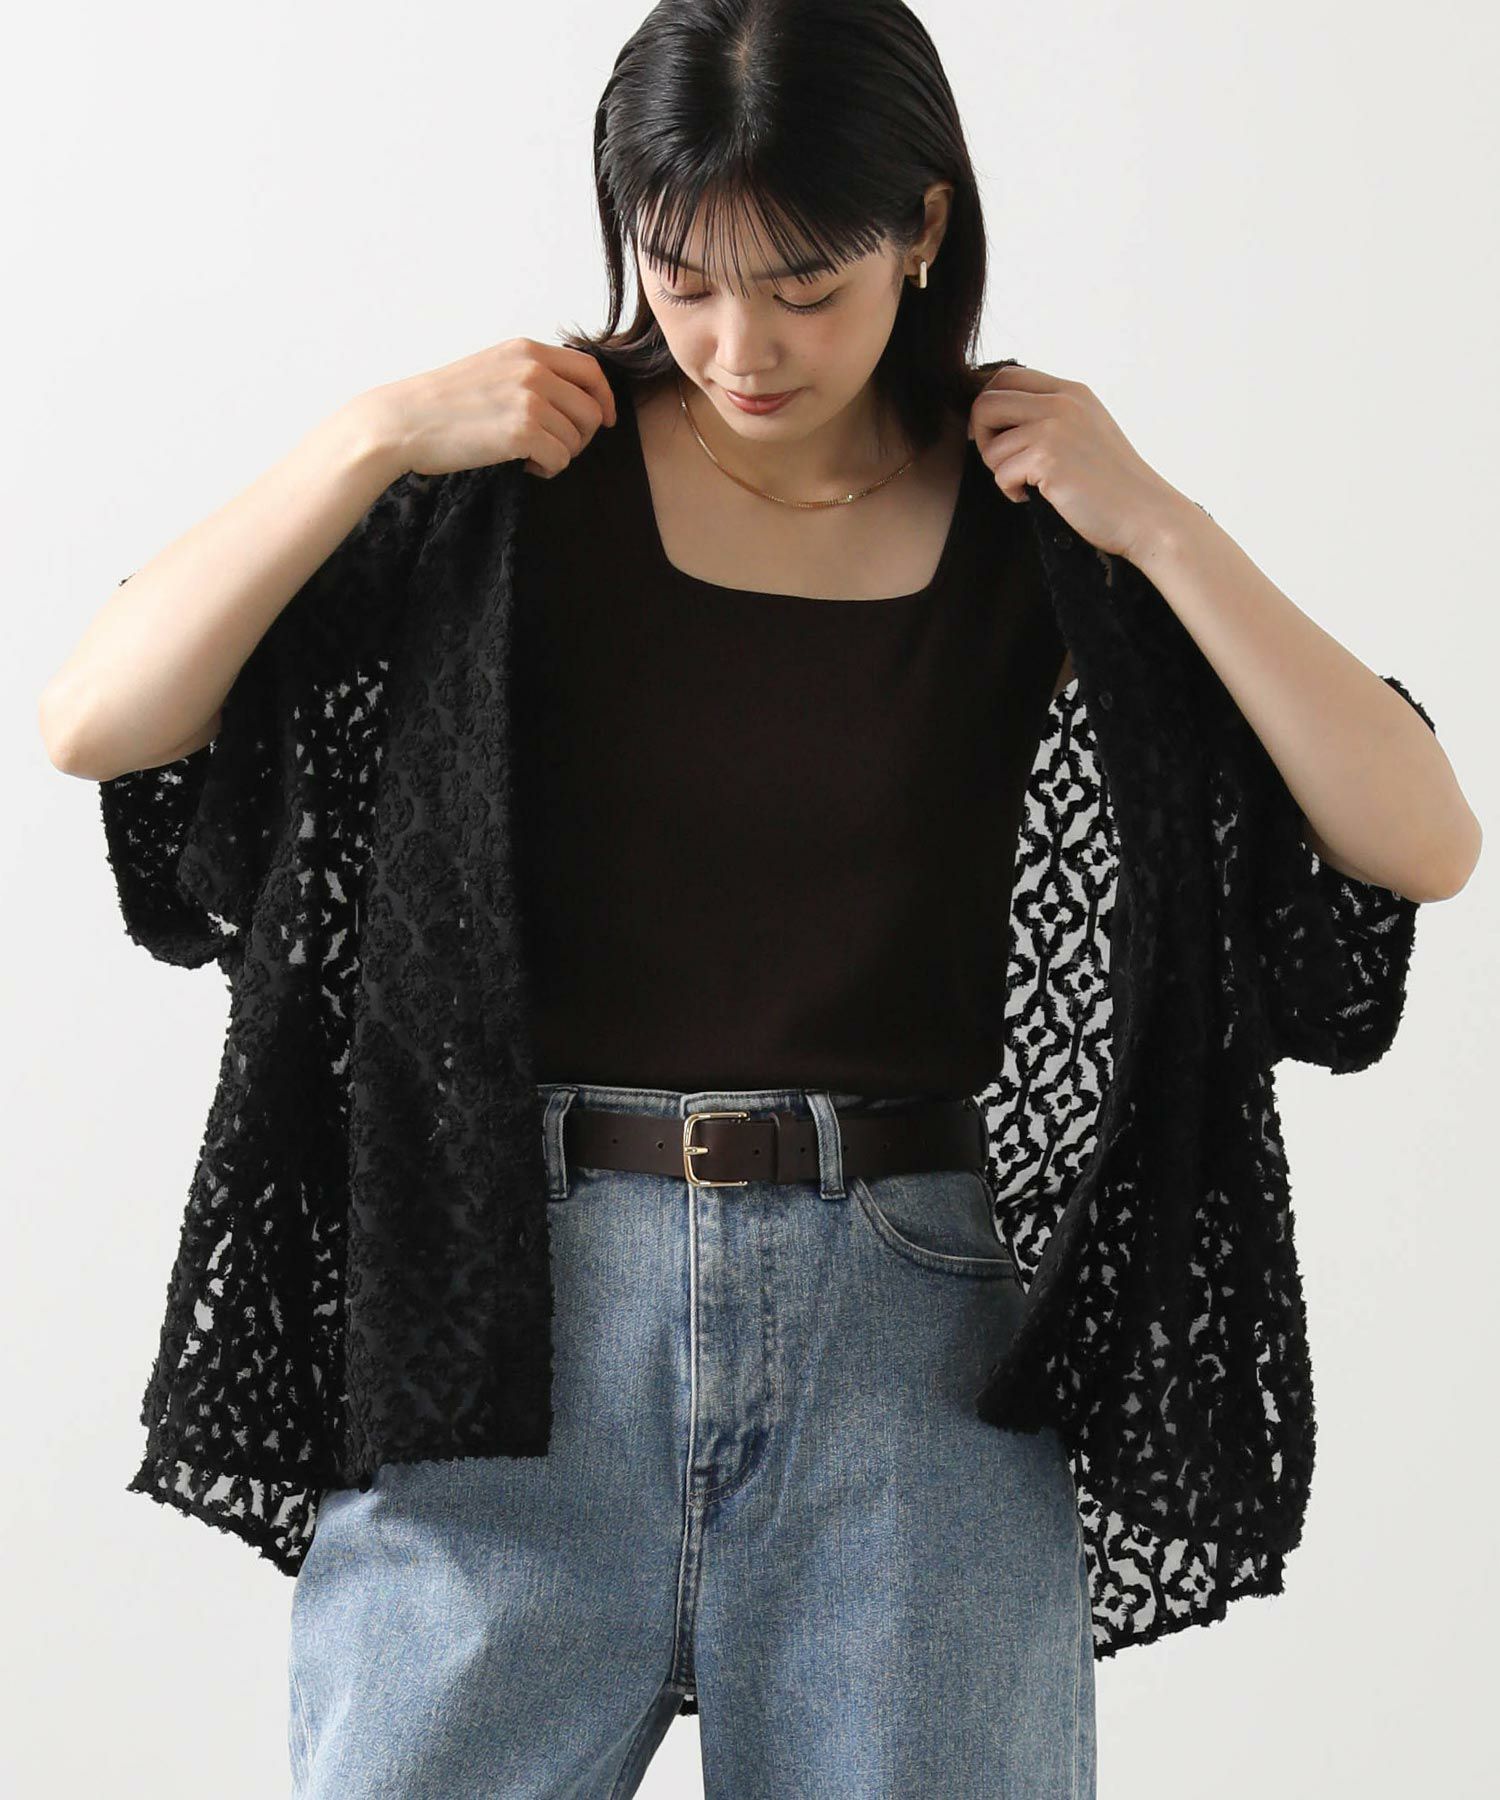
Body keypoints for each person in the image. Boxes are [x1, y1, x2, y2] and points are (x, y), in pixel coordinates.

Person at [38, 3, 1479, 1796]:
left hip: (908, 1355)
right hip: (502, 1325)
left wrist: (1160, 522)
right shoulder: (509, 492)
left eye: (806, 285)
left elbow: (1419, 836)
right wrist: (369, 436)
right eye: (685, 277)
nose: (741, 344)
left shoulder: (1033, 530)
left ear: (924, 228)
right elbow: (96, 720)